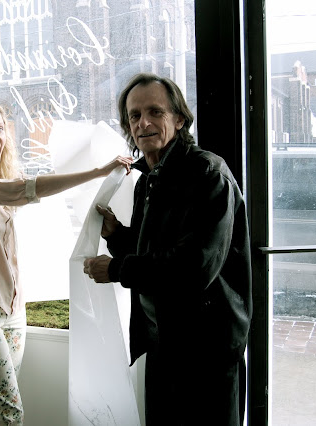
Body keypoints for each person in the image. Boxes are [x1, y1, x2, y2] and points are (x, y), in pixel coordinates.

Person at [0, 99, 132, 425]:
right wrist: (98, 171)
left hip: (14, 308)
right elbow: (27, 189)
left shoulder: (2, 179)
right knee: (10, 410)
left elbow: (28, 186)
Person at [82, 73, 252, 425]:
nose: (143, 123)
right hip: (165, 343)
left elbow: (194, 267)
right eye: (134, 115)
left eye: (155, 112)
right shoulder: (148, 179)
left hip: (207, 350)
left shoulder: (208, 174)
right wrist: (117, 235)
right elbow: (155, 249)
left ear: (179, 119)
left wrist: (115, 269)